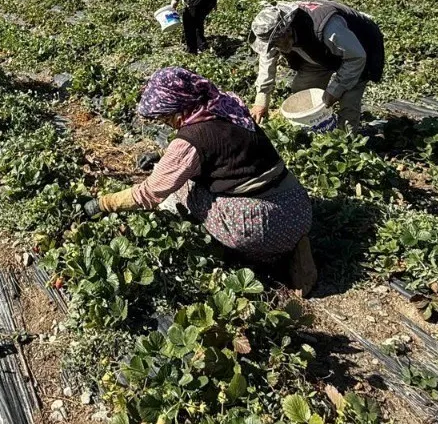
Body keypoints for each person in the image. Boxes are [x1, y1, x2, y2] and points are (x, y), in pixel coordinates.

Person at [87, 67, 316, 292]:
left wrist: (102, 203)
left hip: (264, 225)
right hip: (298, 205)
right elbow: (224, 147)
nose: (165, 123)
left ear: (178, 107)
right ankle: (291, 244)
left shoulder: (190, 142)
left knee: (185, 190)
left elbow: (148, 193)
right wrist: (161, 155)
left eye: (165, 116)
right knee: (195, 178)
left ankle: (269, 257)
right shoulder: (225, 104)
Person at [247, 0, 385, 128]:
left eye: (275, 44)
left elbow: (356, 57)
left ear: (286, 32)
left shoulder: (328, 28)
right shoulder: (275, 32)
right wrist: (261, 100)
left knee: (348, 100)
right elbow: (267, 61)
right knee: (302, 91)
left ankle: (346, 143)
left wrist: (335, 90)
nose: (274, 48)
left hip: (360, 49)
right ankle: (312, 127)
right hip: (320, 52)